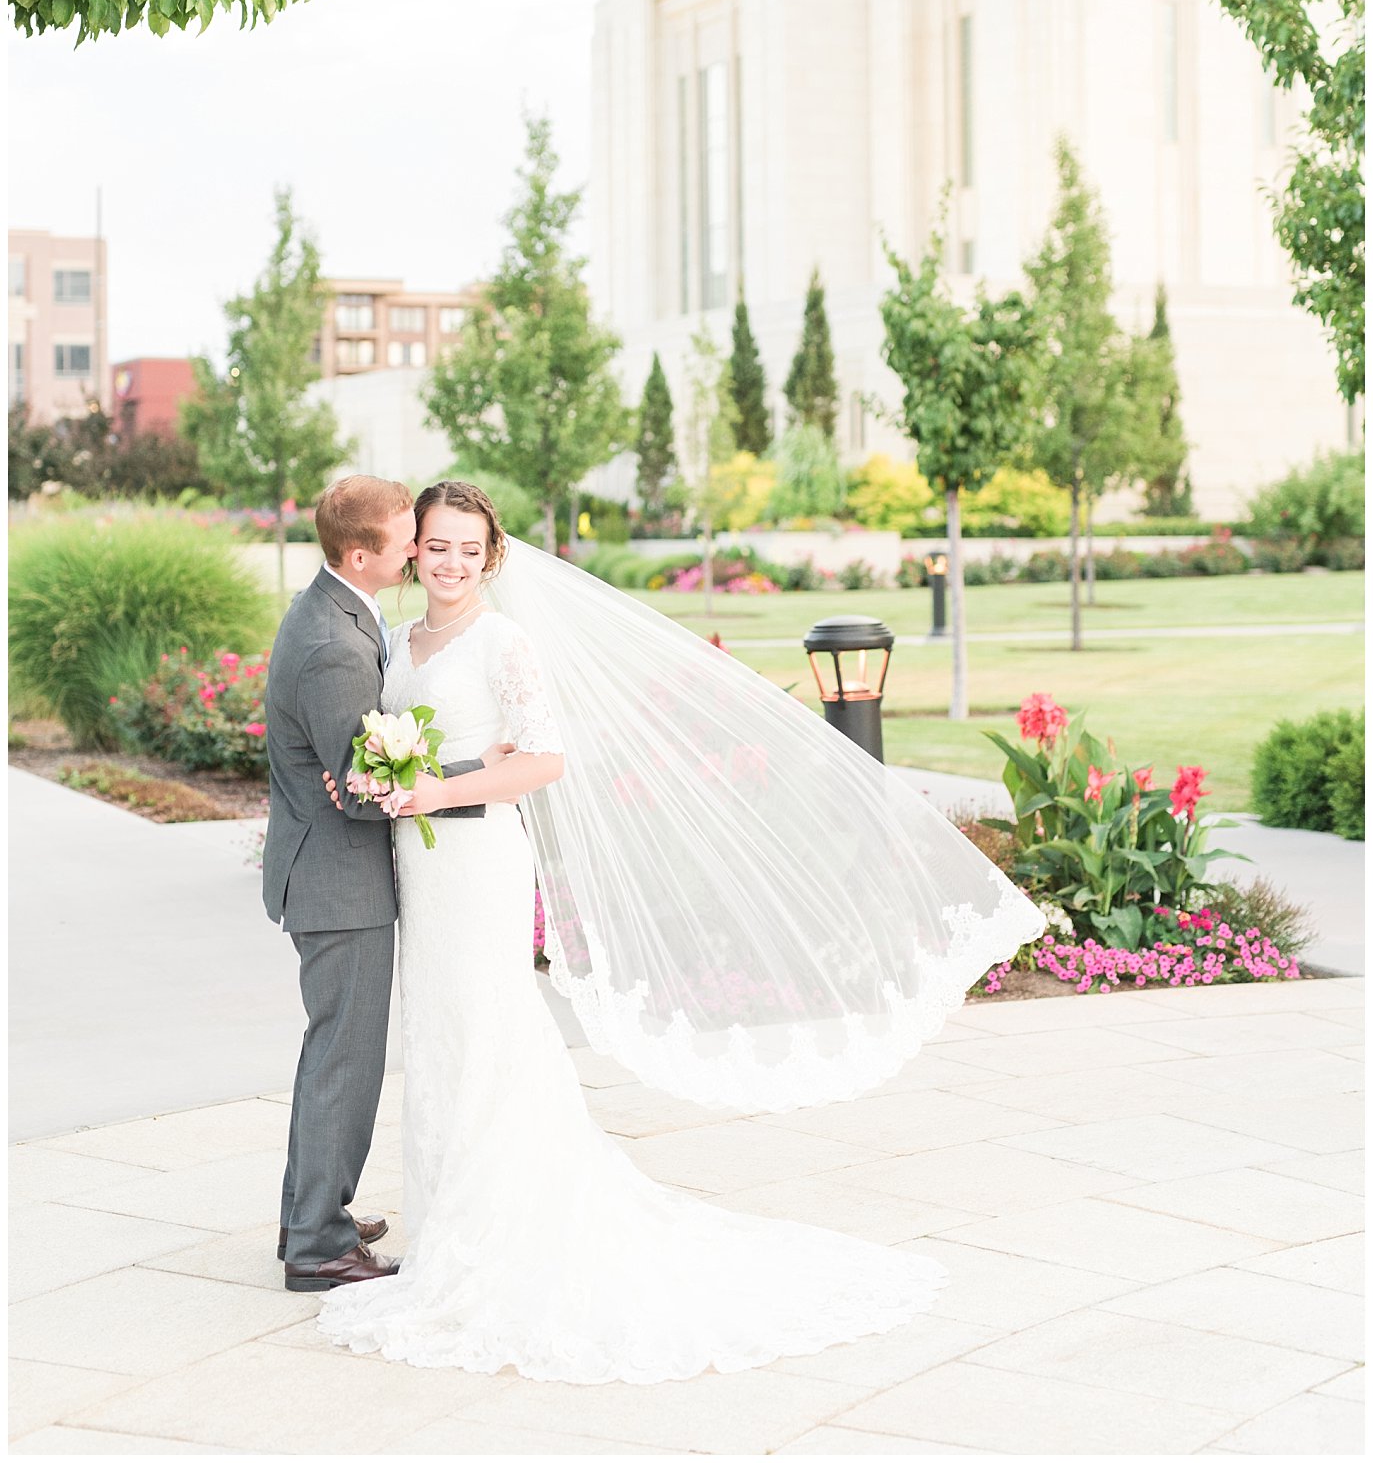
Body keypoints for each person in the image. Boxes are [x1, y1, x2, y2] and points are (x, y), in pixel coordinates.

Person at [314, 478, 1044, 1381]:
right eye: (438, 545)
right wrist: (390, 781)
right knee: (438, 1034)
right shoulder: (401, 639)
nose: (455, 562)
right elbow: (419, 743)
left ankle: (502, 1226)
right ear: (413, 550)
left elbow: (544, 760)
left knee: (487, 1024)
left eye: (471, 547)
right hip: (420, 870)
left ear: (488, 553)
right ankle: (448, 1226)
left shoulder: (505, 642)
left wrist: (438, 789)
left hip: (480, 863)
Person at [262, 474, 510, 1293]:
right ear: (362, 554)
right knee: (345, 1058)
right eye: (409, 539)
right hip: (339, 882)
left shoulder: (343, 610)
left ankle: (314, 1212)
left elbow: (361, 774)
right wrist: (467, 773)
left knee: (334, 1052)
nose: (420, 548)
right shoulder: (335, 643)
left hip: (337, 874)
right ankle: (318, 1245)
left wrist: (365, 779)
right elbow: (366, 790)